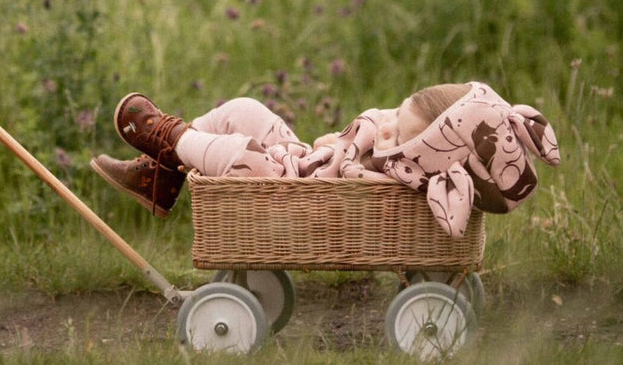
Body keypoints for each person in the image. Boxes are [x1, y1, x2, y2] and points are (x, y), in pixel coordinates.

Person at [92, 80, 560, 238]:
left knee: (246, 160)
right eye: (394, 116)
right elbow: (354, 139)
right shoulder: (391, 143)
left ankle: (170, 137)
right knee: (245, 111)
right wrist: (342, 145)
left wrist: (340, 158)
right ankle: (164, 177)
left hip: (296, 191)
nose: (385, 127)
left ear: (423, 159)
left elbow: (348, 186)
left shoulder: (401, 183)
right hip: (303, 163)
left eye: (397, 133)